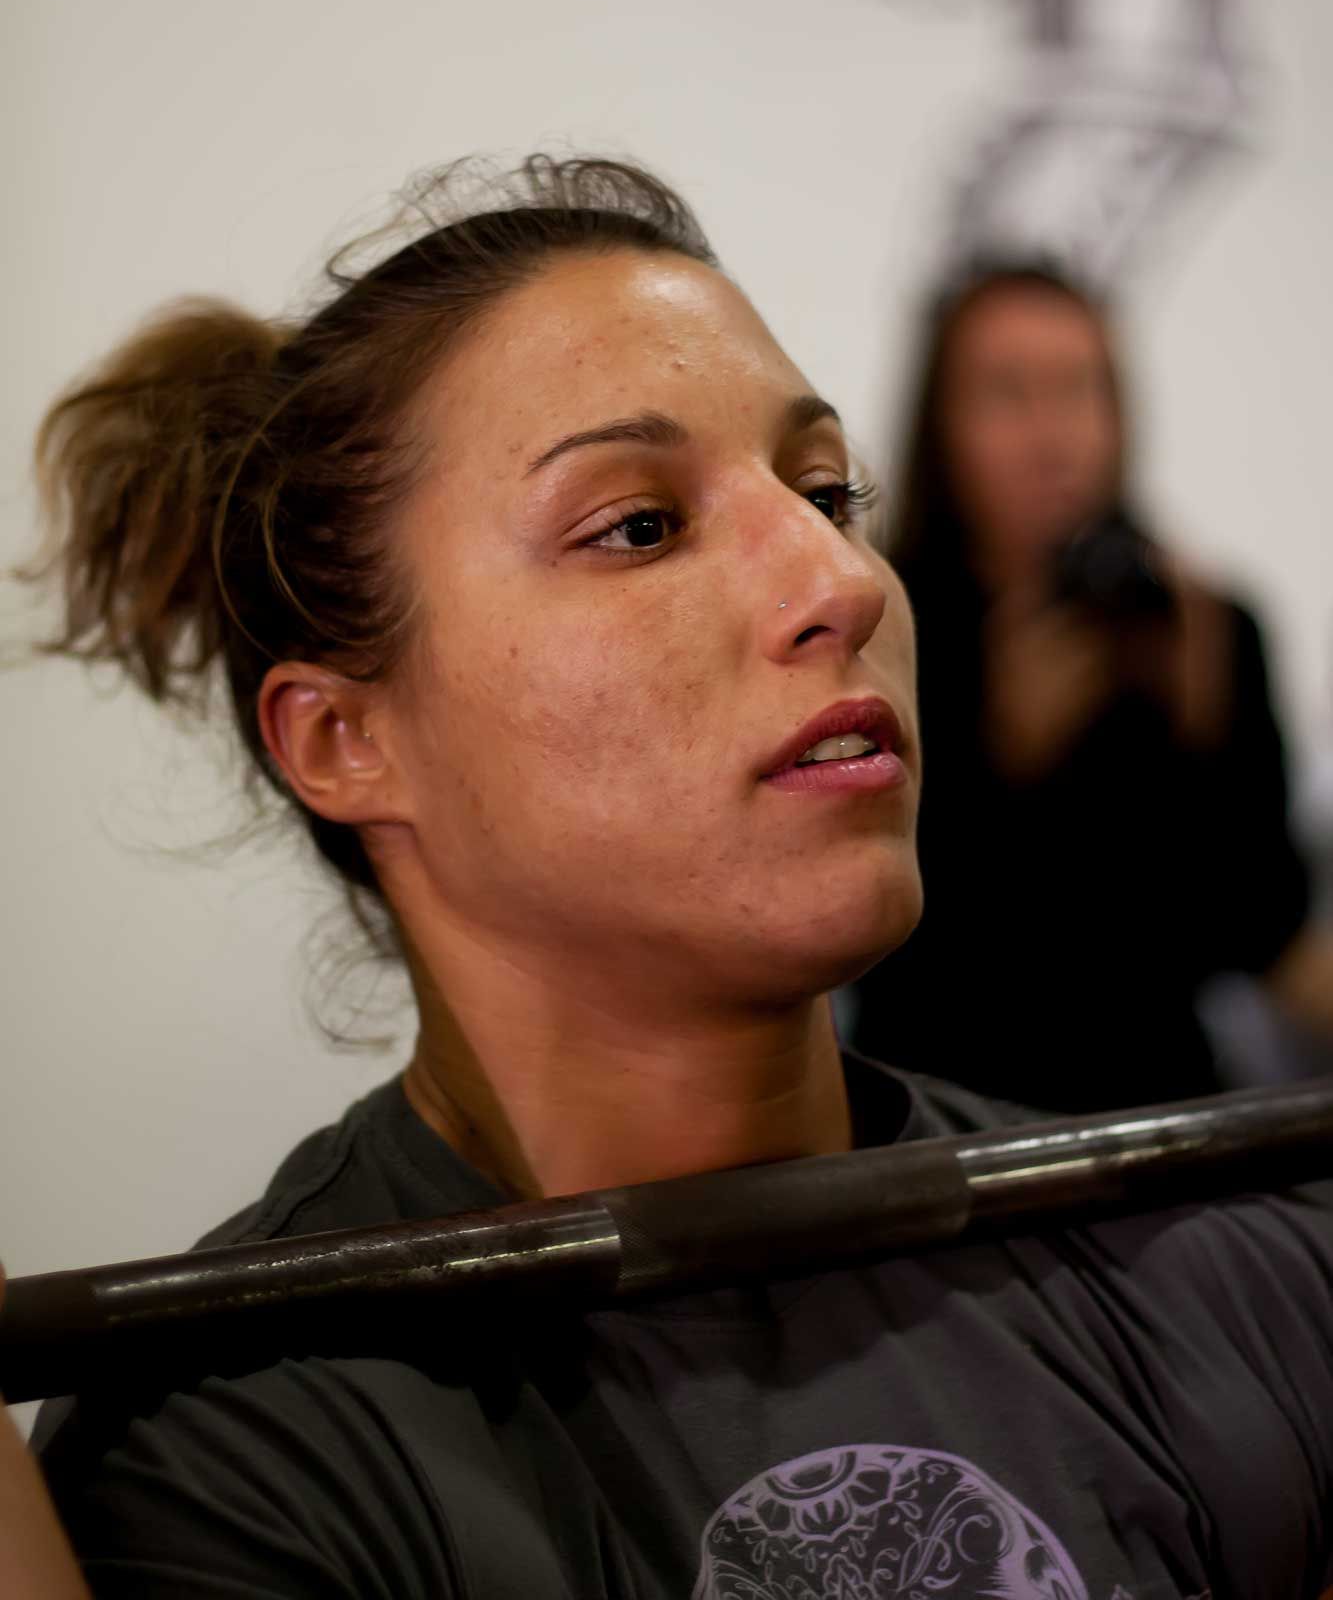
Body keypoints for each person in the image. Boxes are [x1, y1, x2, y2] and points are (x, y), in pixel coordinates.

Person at [13, 157, 1333, 1596]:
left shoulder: (1213, 1278)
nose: (840, 579)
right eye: (638, 525)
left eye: (826, 491)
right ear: (344, 738)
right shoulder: (239, 1458)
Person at [849, 259, 1321, 1114]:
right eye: (1007, 394)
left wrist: (1205, 728)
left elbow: (1258, 930)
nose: (1052, 435)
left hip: (1166, 1107)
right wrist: (1002, 762)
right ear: (939, 424)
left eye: (1079, 389)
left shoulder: (1203, 622)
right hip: (944, 1114)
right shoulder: (875, 624)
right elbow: (874, 942)